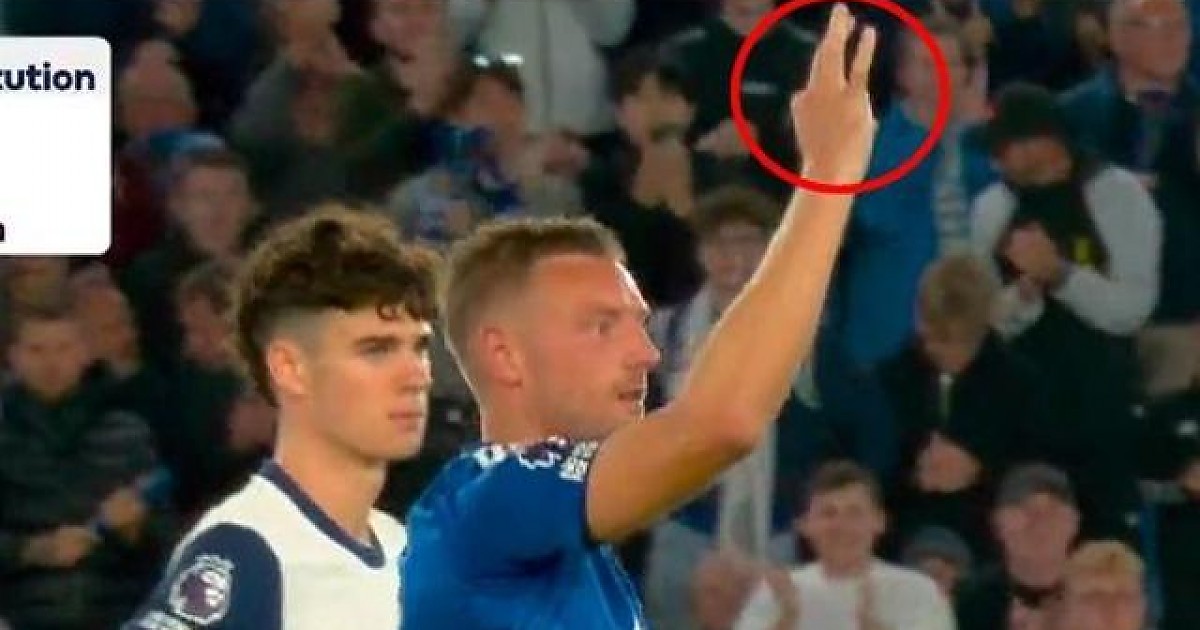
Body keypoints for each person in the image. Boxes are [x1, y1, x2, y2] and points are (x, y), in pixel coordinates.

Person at [401, 5, 880, 627]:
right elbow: (722, 422)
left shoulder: (570, 544)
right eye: (601, 326)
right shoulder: (495, 497)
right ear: (505, 355)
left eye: (636, 323)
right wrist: (828, 173)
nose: (648, 354)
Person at [121, 205, 440, 629]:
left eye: (419, 347)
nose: (417, 376)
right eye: (376, 350)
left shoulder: (405, 549)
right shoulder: (246, 551)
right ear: (290, 369)